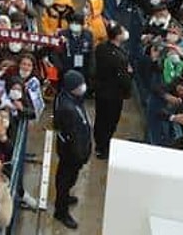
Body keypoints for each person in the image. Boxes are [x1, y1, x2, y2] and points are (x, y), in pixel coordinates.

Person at [53, 70, 93, 230]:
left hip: (73, 150)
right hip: (70, 153)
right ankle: (61, 211)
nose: (83, 87)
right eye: (79, 85)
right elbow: (73, 136)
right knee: (65, 179)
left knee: (69, 179)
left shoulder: (72, 98)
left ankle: (65, 196)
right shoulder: (67, 108)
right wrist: (81, 156)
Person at [93, 22, 133, 160]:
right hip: (113, 95)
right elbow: (124, 79)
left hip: (100, 91)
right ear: (117, 36)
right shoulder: (119, 57)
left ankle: (99, 145)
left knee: (100, 119)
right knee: (109, 122)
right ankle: (103, 148)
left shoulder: (101, 48)